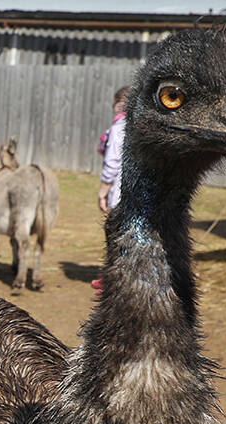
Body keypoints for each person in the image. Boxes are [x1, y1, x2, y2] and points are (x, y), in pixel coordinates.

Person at [93, 86, 133, 292]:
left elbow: (112, 162)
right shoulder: (141, 126)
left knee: (116, 233)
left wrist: (102, 192)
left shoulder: (119, 129)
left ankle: (114, 279)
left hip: (121, 191)